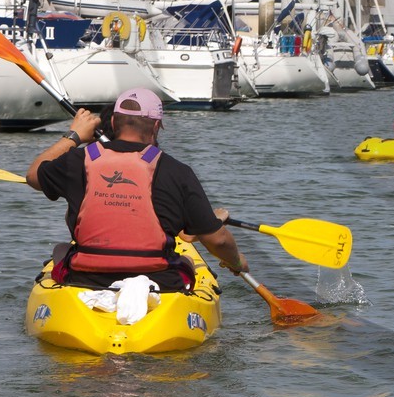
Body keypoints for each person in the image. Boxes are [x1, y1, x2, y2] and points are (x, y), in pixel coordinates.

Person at [26, 88, 246, 291]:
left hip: (84, 278)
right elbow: (218, 240)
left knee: (61, 251)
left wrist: (74, 135)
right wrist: (236, 261)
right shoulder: (177, 171)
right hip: (158, 281)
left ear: (112, 121)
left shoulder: (78, 160)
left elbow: (33, 175)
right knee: (188, 262)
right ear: (157, 125)